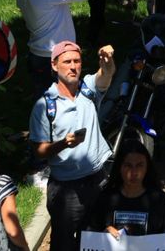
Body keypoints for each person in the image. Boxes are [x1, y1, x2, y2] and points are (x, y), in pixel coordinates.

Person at [29, 40, 116, 251]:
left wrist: (108, 61)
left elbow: (106, 74)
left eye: (77, 61)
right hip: (66, 188)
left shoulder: (88, 88)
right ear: (54, 65)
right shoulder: (44, 105)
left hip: (98, 180)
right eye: (67, 62)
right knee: (64, 243)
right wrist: (62, 144)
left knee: (97, 239)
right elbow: (38, 151)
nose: (73, 66)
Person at [16, 0, 99, 92]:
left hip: (37, 55)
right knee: (66, 100)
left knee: (43, 101)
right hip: (58, 57)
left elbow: (54, 0)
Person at [88, 139, 165, 238]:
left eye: (139, 165)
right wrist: (104, 234)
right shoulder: (105, 199)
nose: (134, 172)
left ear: (147, 167)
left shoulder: (160, 200)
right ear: (119, 167)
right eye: (128, 166)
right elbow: (91, 235)